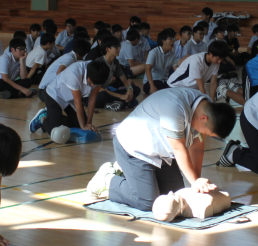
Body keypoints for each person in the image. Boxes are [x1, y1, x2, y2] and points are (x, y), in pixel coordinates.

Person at [87, 88, 236, 209]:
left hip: (161, 153)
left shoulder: (207, 108)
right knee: (147, 202)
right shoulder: (174, 107)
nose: (203, 135)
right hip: (133, 149)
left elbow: (196, 148)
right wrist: (196, 180)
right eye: (205, 132)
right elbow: (179, 149)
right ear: (204, 119)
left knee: (174, 196)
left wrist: (195, 184)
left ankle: (131, 176)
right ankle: (107, 179)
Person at [30, 60, 109, 136]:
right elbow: (77, 102)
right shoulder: (75, 73)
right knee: (57, 133)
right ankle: (43, 118)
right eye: (91, 82)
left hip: (69, 98)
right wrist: (83, 127)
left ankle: (52, 118)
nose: (92, 85)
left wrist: (88, 124)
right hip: (54, 94)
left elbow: (92, 100)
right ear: (88, 75)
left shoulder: (99, 73)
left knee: (79, 125)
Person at [91, 36, 139, 111]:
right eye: (116, 47)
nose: (119, 49)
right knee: (104, 95)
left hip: (107, 92)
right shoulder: (99, 62)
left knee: (136, 89)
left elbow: (125, 82)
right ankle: (121, 102)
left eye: (119, 46)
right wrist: (121, 96)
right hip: (94, 95)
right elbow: (97, 88)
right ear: (107, 49)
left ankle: (116, 103)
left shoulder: (115, 62)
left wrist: (130, 90)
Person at [144, 29, 177, 95]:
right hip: (152, 82)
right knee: (160, 87)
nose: (173, 41)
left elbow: (176, 69)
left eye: (174, 38)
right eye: (171, 39)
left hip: (164, 81)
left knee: (175, 87)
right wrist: (152, 87)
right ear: (163, 41)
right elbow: (147, 69)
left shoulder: (172, 53)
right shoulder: (153, 52)